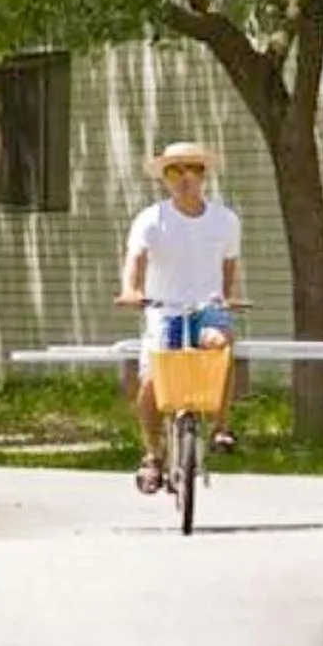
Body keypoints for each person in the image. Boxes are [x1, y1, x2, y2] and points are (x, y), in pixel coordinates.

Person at [114, 140, 241, 494]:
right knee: (154, 382)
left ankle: (221, 426)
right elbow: (135, 260)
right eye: (174, 171)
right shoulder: (152, 219)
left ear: (203, 175)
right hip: (164, 308)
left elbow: (229, 266)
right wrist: (131, 291)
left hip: (207, 306)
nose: (184, 178)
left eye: (193, 169)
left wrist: (228, 298)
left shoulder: (225, 220)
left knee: (222, 344)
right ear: (165, 179)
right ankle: (153, 454)